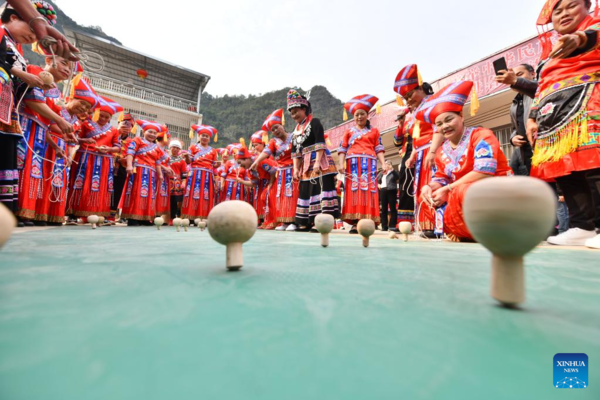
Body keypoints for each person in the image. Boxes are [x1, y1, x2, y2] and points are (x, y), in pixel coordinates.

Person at [527, 0, 600, 248]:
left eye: (571, 6)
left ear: (587, 6)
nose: (564, 13)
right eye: (557, 11)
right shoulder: (549, 52)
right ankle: (582, 226)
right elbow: (542, 86)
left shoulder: (594, 27)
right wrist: (532, 117)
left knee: (595, 164)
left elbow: (593, 36)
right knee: (566, 171)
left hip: (589, 99)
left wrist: (580, 39)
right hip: (553, 115)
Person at [418, 81, 513, 242]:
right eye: (439, 124)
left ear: (461, 116)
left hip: (494, 190)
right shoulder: (441, 150)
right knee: (426, 195)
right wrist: (429, 187)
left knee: (462, 191)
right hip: (460, 193)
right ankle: (461, 232)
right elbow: (440, 178)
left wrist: (448, 189)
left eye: (449, 120)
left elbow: (484, 172)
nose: (444, 126)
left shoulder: (481, 135)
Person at [1, 2, 55, 220]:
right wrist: (21, 74)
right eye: (32, 30)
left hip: (6, 110)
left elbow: (16, 81)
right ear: (13, 17)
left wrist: (33, 82)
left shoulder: (16, 47)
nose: (34, 37)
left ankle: (6, 214)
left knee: (5, 160)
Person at [15, 57, 75, 226]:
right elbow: (33, 102)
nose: (67, 70)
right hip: (24, 127)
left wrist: (61, 138)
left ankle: (27, 212)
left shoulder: (57, 91)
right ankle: (14, 211)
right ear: (50, 59)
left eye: (70, 68)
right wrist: (61, 122)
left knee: (33, 171)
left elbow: (49, 123)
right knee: (21, 167)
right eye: (64, 63)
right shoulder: (35, 71)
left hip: (39, 134)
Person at [394, 64, 442, 233]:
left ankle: (438, 224)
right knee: (420, 188)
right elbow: (416, 137)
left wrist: (433, 151)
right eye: (405, 98)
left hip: (434, 150)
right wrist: (414, 153)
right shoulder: (416, 112)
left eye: (410, 94)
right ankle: (425, 224)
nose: (408, 100)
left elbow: (439, 128)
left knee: (433, 185)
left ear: (421, 88)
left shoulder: (434, 104)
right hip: (420, 153)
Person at [288, 89, 339, 231]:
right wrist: (296, 169)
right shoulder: (296, 131)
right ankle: (305, 222)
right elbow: (295, 152)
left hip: (320, 162)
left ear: (305, 109)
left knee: (319, 190)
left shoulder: (314, 122)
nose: (294, 115)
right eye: (292, 113)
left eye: (296, 111)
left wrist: (317, 163)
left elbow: (320, 143)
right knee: (305, 190)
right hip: (305, 164)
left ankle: (320, 222)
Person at [66, 95, 121, 221]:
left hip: (104, 161)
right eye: (101, 115)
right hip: (85, 157)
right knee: (80, 183)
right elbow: (74, 139)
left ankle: (99, 212)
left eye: (106, 117)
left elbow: (117, 146)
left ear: (110, 118)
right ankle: (73, 213)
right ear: (96, 114)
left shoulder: (113, 130)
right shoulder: (85, 124)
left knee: (101, 186)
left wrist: (109, 149)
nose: (103, 118)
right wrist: (84, 140)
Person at [337, 94, 386, 233]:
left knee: (368, 191)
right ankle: (354, 223)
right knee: (353, 191)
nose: (359, 117)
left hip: (369, 164)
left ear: (367, 115)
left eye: (362, 114)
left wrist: (382, 163)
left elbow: (379, 148)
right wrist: (341, 164)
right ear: (354, 117)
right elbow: (342, 149)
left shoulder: (374, 131)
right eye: (357, 114)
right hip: (352, 164)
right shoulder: (348, 131)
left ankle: (367, 220)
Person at [251, 109, 298, 231]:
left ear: (282, 125)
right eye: (272, 130)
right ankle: (284, 221)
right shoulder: (273, 142)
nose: (275, 131)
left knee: (293, 195)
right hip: (281, 173)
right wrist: (256, 162)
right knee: (281, 196)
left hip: (293, 170)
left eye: (277, 127)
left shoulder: (295, 136)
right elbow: (266, 153)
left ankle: (294, 221)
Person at [120, 120, 166, 226]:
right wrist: (130, 165)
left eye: (154, 133)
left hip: (151, 174)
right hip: (138, 170)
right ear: (144, 132)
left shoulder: (156, 147)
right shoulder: (137, 140)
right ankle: (133, 217)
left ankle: (145, 217)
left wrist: (160, 174)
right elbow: (130, 153)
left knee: (149, 195)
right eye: (150, 132)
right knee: (136, 193)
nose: (152, 135)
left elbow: (157, 162)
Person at [495, 63, 538, 174]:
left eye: (519, 74)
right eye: (513, 75)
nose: (515, 77)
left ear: (533, 74)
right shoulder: (514, 104)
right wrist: (513, 138)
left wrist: (515, 81)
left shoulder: (540, 90)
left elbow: (537, 88)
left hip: (544, 146)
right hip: (527, 152)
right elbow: (514, 128)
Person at [180, 124, 219, 221]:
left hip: (207, 175)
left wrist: (217, 165)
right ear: (199, 136)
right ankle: (190, 216)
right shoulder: (193, 147)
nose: (205, 137)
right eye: (203, 135)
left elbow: (214, 165)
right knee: (193, 193)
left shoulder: (213, 151)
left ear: (209, 138)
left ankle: (203, 216)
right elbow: (189, 162)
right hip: (195, 174)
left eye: (207, 136)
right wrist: (187, 157)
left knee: (205, 195)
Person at [392, 108, 415, 227]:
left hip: (423, 151)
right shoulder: (406, 123)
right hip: (407, 155)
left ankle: (428, 220)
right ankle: (406, 222)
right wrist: (400, 124)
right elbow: (397, 142)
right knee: (405, 187)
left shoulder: (426, 114)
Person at [111, 113, 134, 220]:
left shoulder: (132, 142)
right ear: (118, 124)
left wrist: (128, 160)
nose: (126, 127)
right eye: (123, 124)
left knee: (118, 190)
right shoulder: (111, 133)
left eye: (129, 126)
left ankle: (111, 215)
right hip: (108, 165)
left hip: (121, 169)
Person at [167, 139, 188, 221]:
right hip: (166, 181)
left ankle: (173, 217)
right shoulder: (166, 157)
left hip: (176, 183)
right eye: (173, 147)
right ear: (170, 148)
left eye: (177, 148)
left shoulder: (182, 161)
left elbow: (184, 173)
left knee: (175, 201)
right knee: (166, 199)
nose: (175, 149)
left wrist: (183, 182)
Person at [378, 160, 399, 232]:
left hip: (391, 190)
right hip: (383, 190)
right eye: (385, 164)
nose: (386, 165)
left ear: (390, 165)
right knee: (384, 209)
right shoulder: (381, 173)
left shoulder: (393, 172)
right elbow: (376, 180)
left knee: (393, 208)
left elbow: (398, 177)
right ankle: (384, 226)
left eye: (388, 164)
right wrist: (378, 185)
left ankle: (392, 225)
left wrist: (392, 169)